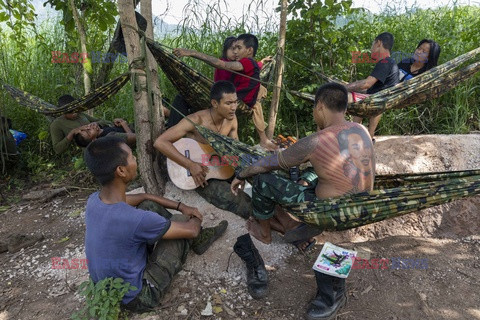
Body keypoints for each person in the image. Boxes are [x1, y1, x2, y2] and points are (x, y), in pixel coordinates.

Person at [230, 83, 375, 319]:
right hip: (363, 207)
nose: (313, 113)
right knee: (314, 178)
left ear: (320, 106)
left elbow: (271, 162)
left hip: (330, 212)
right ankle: (295, 229)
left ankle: (265, 233)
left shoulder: (316, 140)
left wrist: (242, 174)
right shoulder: (361, 130)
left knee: (264, 180)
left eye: (314, 109)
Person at [84, 135, 228, 312]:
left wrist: (181, 205)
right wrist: (195, 215)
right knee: (182, 222)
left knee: (147, 205)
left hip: (107, 287)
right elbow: (191, 230)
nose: (136, 159)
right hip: (138, 297)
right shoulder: (134, 219)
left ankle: (195, 242)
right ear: (121, 171)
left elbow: (144, 197)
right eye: (132, 157)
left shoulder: (94, 201)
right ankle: (199, 241)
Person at [154, 80, 252, 219]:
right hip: (193, 170)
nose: (234, 107)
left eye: (235, 102)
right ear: (214, 103)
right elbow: (160, 142)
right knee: (231, 198)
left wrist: (240, 172)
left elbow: (234, 150)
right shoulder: (196, 120)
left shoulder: (232, 119)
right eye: (228, 103)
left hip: (216, 166)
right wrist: (190, 165)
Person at [174, 33, 277, 151]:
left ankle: (180, 136)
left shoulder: (247, 62)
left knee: (186, 102)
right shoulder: (250, 64)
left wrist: (191, 52)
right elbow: (254, 66)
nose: (235, 52)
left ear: (249, 50)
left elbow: (222, 64)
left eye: (239, 48)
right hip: (237, 101)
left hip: (239, 102)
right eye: (233, 48)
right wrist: (263, 61)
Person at [346, 32, 399, 140]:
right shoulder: (390, 62)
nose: (371, 48)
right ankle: (360, 134)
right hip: (379, 100)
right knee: (358, 96)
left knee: (341, 96)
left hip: (376, 101)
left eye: (372, 44)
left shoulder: (385, 62)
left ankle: (345, 133)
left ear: (378, 43)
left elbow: (366, 84)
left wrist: (343, 87)